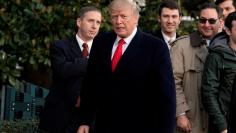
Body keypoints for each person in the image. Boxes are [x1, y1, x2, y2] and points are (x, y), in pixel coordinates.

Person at [77, 0, 176, 133]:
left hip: (141, 126)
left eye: (123, 16)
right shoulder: (101, 42)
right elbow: (90, 84)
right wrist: (85, 120)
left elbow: (166, 95)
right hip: (104, 125)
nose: (118, 21)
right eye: (114, 16)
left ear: (136, 19)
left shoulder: (155, 47)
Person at [38, 6, 102, 133]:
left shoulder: (103, 50)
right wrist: (92, 63)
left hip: (90, 119)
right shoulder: (60, 46)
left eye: (98, 22)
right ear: (79, 22)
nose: (94, 26)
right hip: (60, 118)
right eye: (90, 21)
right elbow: (63, 70)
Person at [170, 2, 222, 133]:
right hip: (192, 122)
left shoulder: (229, 46)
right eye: (202, 20)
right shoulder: (181, 47)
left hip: (220, 123)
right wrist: (180, 113)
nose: (206, 25)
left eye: (211, 21)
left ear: (221, 22)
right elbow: (173, 82)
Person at [201, 11, 236, 133]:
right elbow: (209, 92)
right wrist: (222, 126)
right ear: (228, 31)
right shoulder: (217, 56)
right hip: (225, 124)